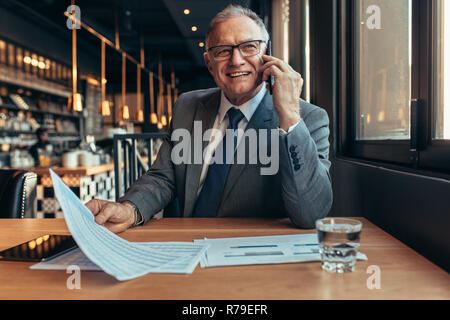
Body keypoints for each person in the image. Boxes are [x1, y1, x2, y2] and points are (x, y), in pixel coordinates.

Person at [86, 4, 332, 233]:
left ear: (267, 55)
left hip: (257, 258)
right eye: (223, 50)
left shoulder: (307, 119)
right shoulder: (187, 105)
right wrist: (130, 209)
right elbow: (164, 177)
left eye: (249, 47)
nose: (236, 60)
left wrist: (288, 116)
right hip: (188, 247)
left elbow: (310, 214)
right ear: (209, 63)